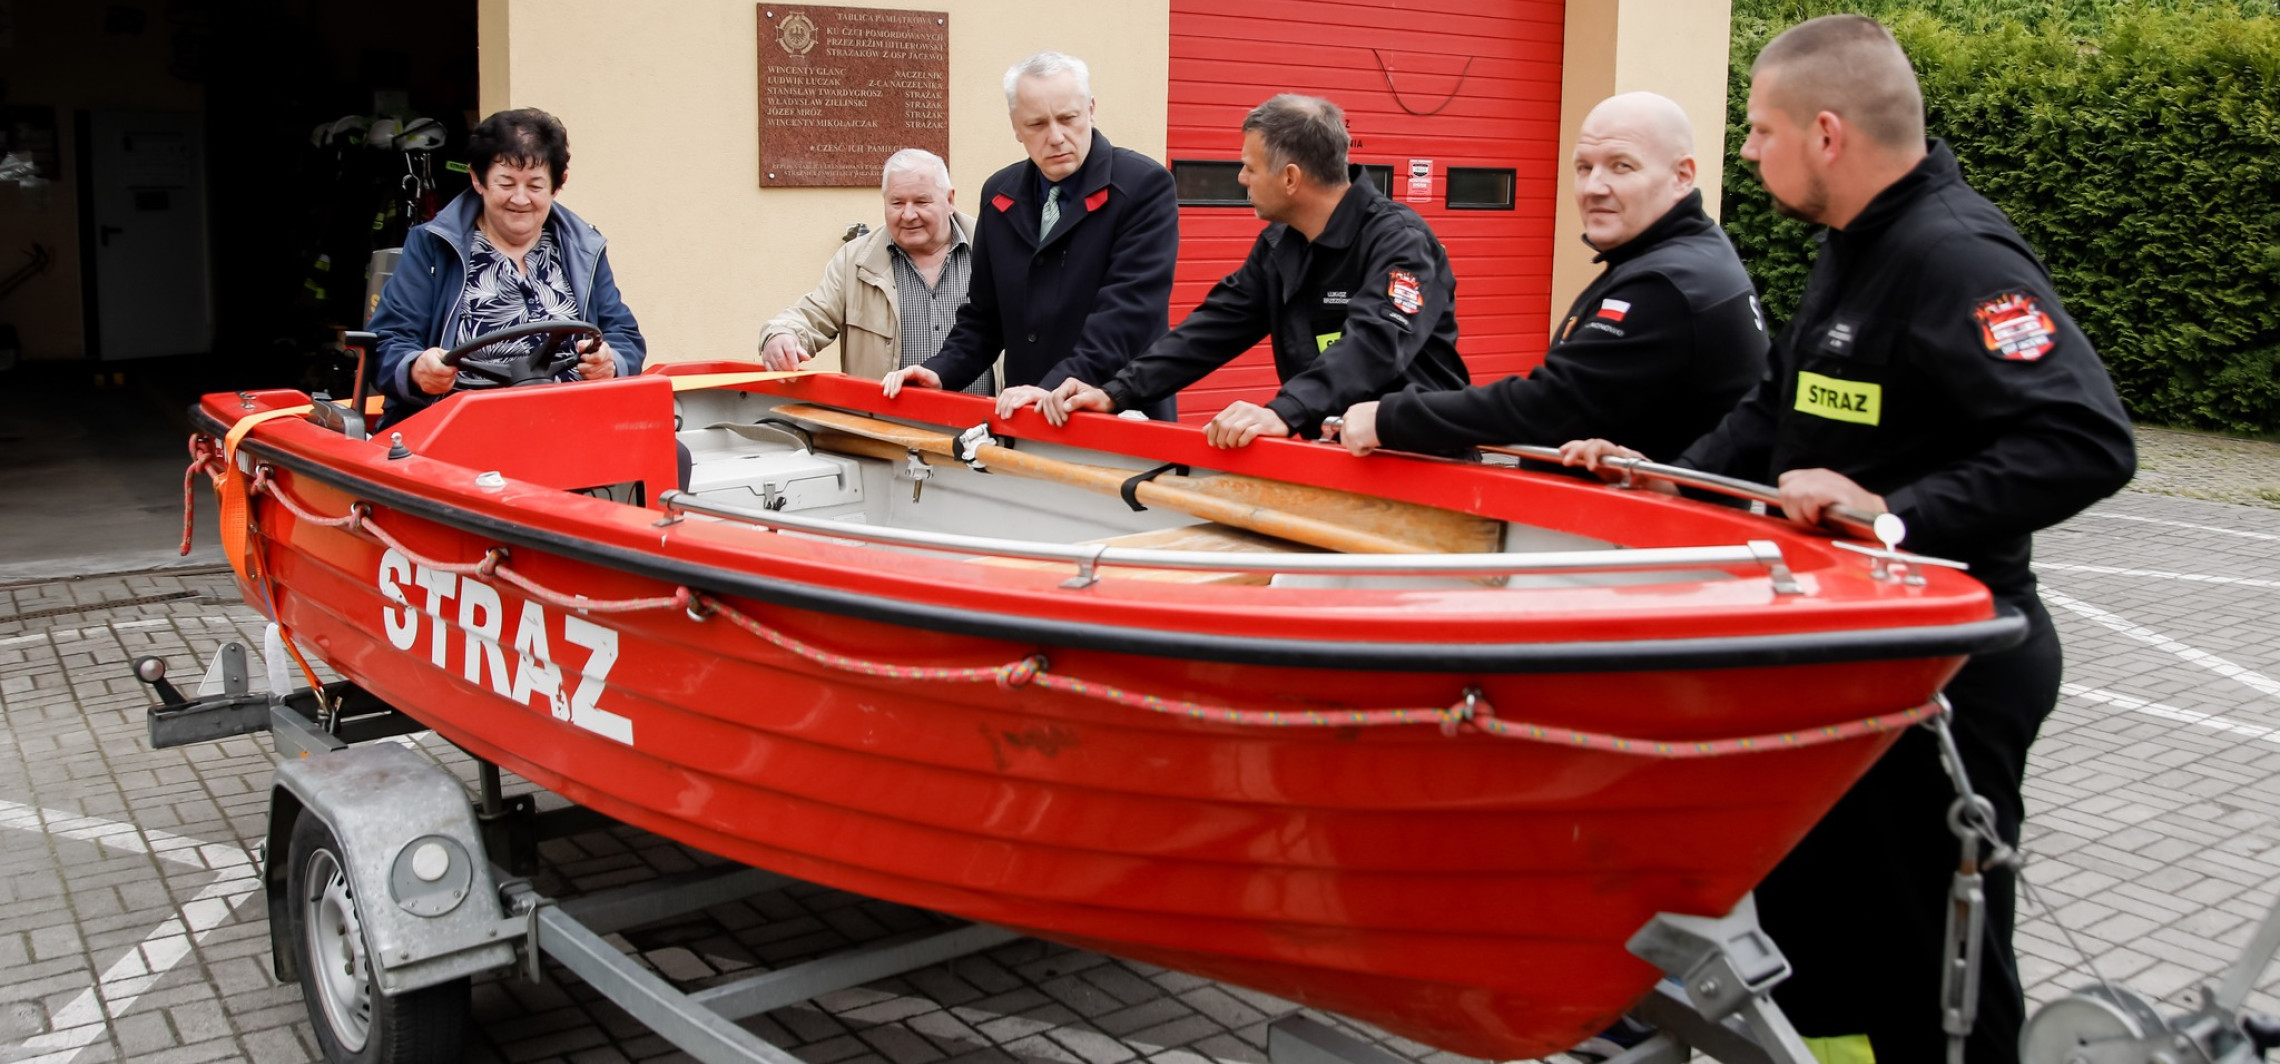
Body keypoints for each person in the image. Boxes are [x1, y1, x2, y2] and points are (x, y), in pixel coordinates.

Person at [1561, 16, 2135, 1063]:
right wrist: (1667, 478)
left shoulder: (1953, 255)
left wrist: (1893, 512)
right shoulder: (1854, 248)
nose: (1745, 151)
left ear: (1826, 134)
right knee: (1822, 936)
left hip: (1948, 671)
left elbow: (2085, 442)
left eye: (1759, 129)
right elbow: (1775, 414)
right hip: (1848, 656)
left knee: (1934, 957)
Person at [1327, 92, 1764, 460]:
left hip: (1653, 533)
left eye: (1622, 166)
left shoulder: (1667, 282)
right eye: (1584, 167)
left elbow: (1553, 407)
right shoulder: (1678, 256)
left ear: (1682, 176)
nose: (1593, 187)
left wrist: (1390, 418)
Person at [1044, 94, 1470, 449]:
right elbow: (1212, 329)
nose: (1241, 178)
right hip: (1342, 457)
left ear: (1290, 178)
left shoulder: (1400, 242)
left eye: (1250, 166)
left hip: (1423, 463)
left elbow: (1376, 343)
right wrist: (1114, 392)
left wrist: (1284, 411)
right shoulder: (1281, 244)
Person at [881, 51, 1178, 421]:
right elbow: (984, 317)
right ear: (1016, 127)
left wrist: (1053, 386)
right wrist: (940, 371)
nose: (1056, 137)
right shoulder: (999, 195)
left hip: (1117, 417)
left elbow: (1127, 315)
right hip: (1025, 417)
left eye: (1068, 118)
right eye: (1037, 124)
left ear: (1090, 110)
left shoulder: (1143, 187)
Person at [370, 108, 645, 428]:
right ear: (477, 179)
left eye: (535, 186)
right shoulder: (432, 245)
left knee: (670, 450)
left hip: (572, 423)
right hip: (461, 427)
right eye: (506, 183)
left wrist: (611, 363)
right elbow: (387, 343)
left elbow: (625, 336)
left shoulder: (584, 247)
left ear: (558, 184)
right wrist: (417, 368)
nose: (520, 198)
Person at [758, 149, 991, 395]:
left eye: (921, 202)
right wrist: (781, 335)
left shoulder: (993, 249)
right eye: (897, 203)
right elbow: (812, 314)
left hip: (984, 418)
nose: (908, 215)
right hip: (882, 418)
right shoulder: (854, 261)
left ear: (950, 200)